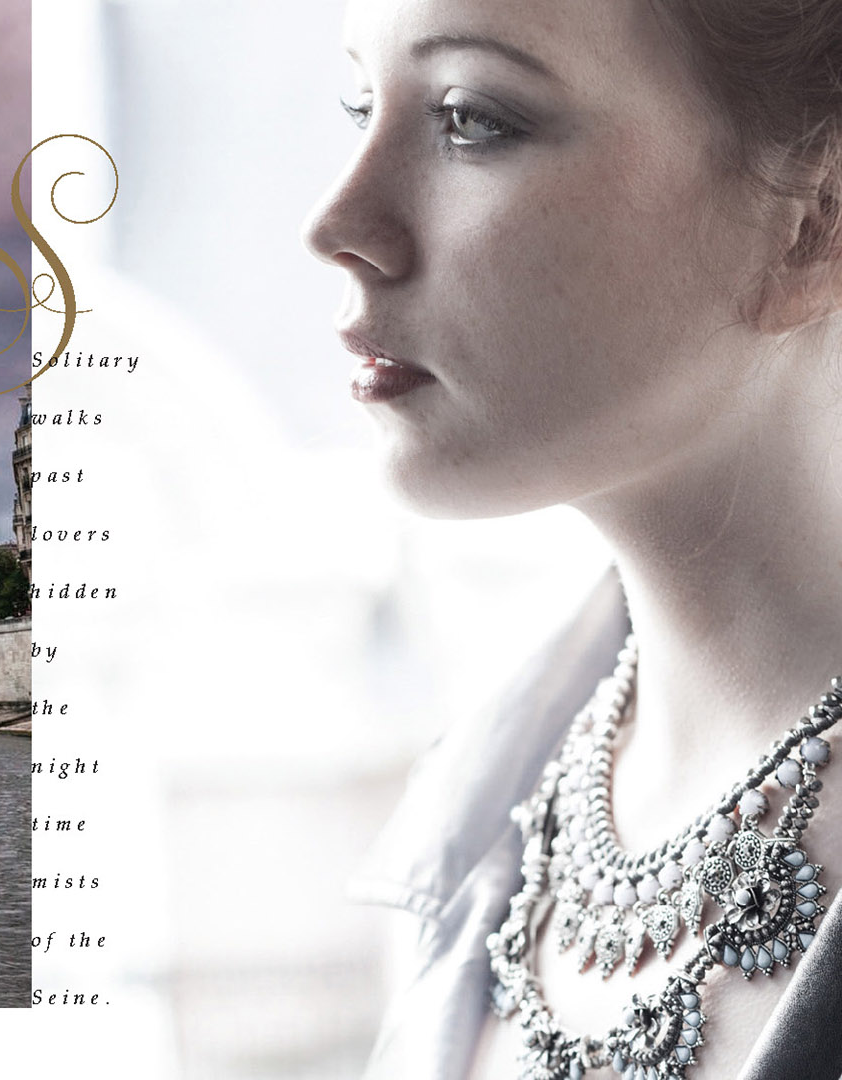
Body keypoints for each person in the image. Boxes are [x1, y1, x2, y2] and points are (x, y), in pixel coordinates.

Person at [302, 0, 842, 1076]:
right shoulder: (476, 810)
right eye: (360, 102)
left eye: (471, 119)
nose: (337, 222)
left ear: (814, 219)